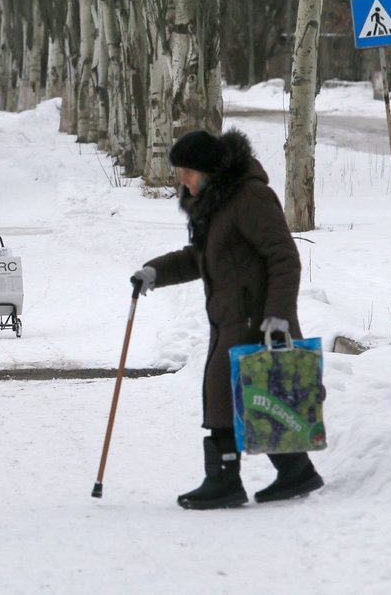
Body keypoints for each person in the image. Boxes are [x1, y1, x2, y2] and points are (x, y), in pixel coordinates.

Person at [131, 128, 324, 510]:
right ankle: (295, 470)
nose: (181, 179)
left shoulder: (250, 197)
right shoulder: (214, 205)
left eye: (187, 171)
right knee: (250, 396)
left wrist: (279, 316)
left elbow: (284, 257)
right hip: (229, 319)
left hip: (258, 320)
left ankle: (224, 481)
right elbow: (198, 258)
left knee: (227, 393)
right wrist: (154, 271)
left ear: (209, 169)